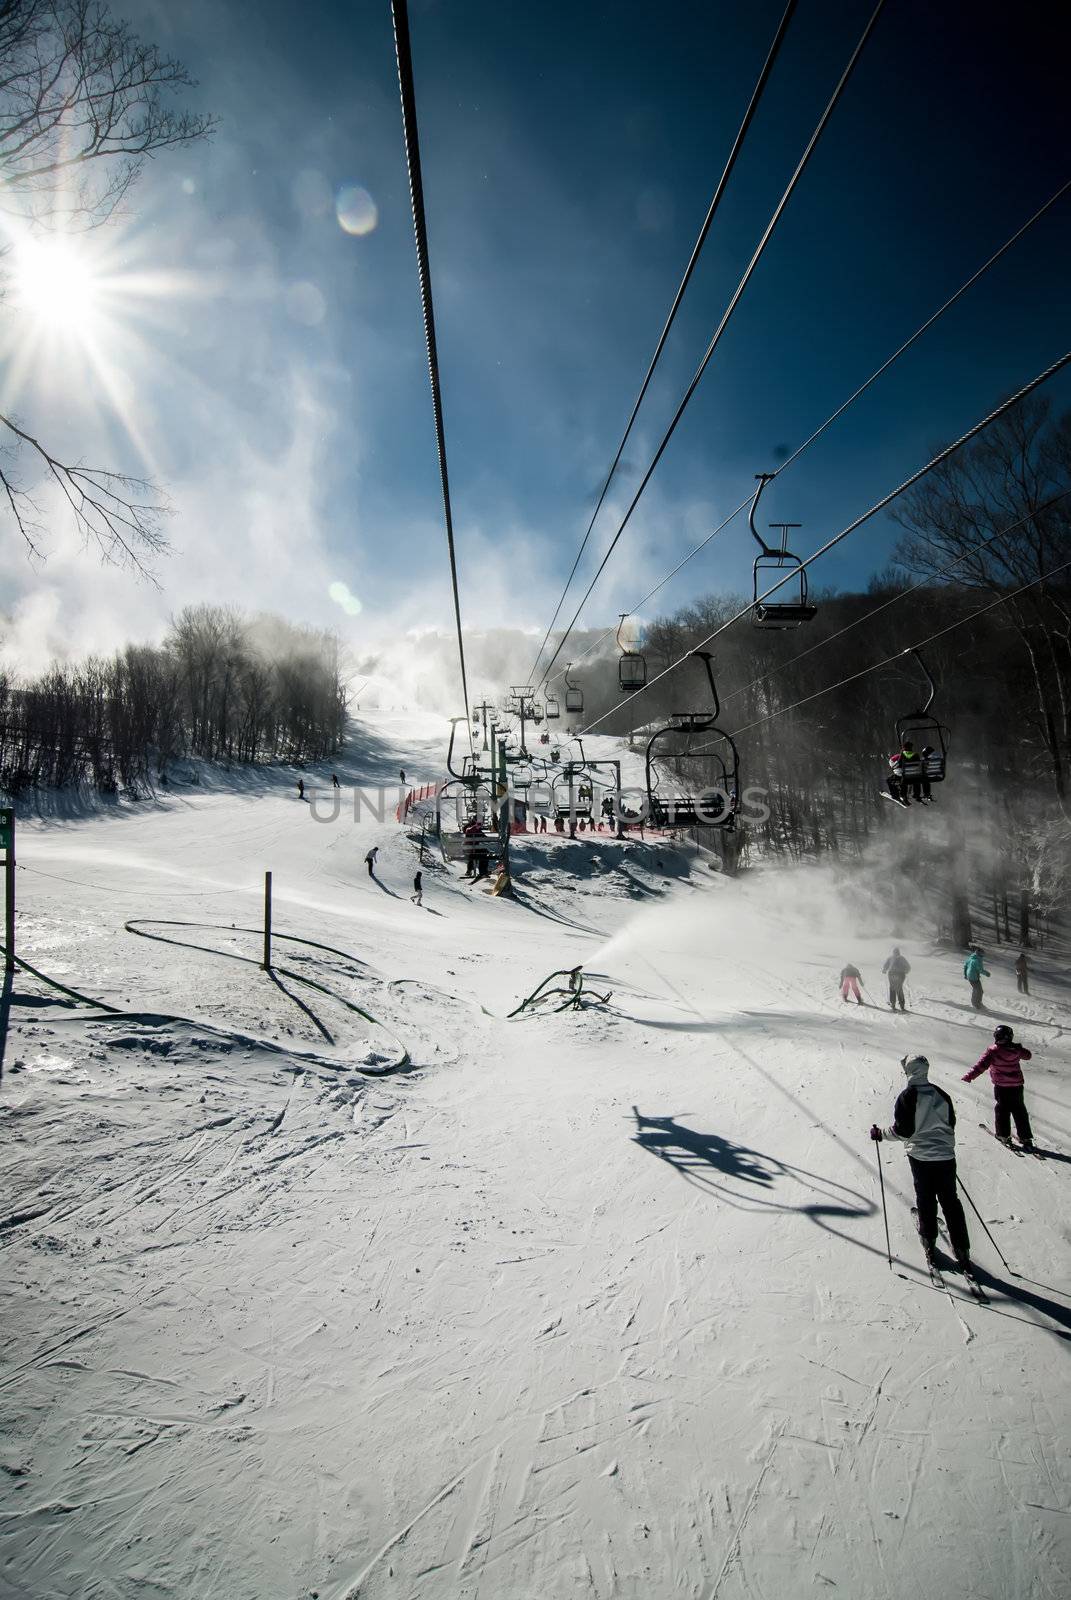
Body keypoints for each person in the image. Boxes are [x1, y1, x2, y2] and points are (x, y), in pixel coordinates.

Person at [870, 1054, 971, 1271]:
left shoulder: (908, 1096)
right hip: (945, 1155)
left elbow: (903, 1131)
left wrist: (880, 1134)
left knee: (926, 1197)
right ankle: (962, 1247)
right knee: (950, 1200)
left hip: (921, 1157)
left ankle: (928, 1238)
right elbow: (951, 1122)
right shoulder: (940, 1093)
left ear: (909, 1071)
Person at [963, 1024, 1034, 1150]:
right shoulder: (1016, 1050)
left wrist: (969, 1076)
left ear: (996, 1037)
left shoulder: (993, 1051)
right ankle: (1025, 1137)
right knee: (1019, 1109)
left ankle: (1003, 1135)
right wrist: (1019, 1048)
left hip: (1002, 1086)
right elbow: (1028, 1056)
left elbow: (981, 1066)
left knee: (1002, 1109)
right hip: (1017, 1085)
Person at [882, 947, 910, 1011]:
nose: (895, 954)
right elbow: (908, 967)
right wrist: (906, 971)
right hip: (897, 974)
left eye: (895, 952)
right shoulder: (900, 958)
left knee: (894, 988)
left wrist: (884, 970)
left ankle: (895, 1004)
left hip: (895, 974)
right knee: (897, 988)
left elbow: (886, 965)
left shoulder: (894, 958)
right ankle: (899, 1005)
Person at [963, 944, 990, 1010]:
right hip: (974, 977)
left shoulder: (971, 958)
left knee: (976, 990)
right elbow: (980, 970)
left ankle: (975, 1002)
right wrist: (987, 973)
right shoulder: (977, 960)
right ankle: (977, 1004)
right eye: (983, 954)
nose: (983, 956)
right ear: (979, 954)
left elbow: (965, 966)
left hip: (970, 976)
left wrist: (965, 975)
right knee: (979, 991)